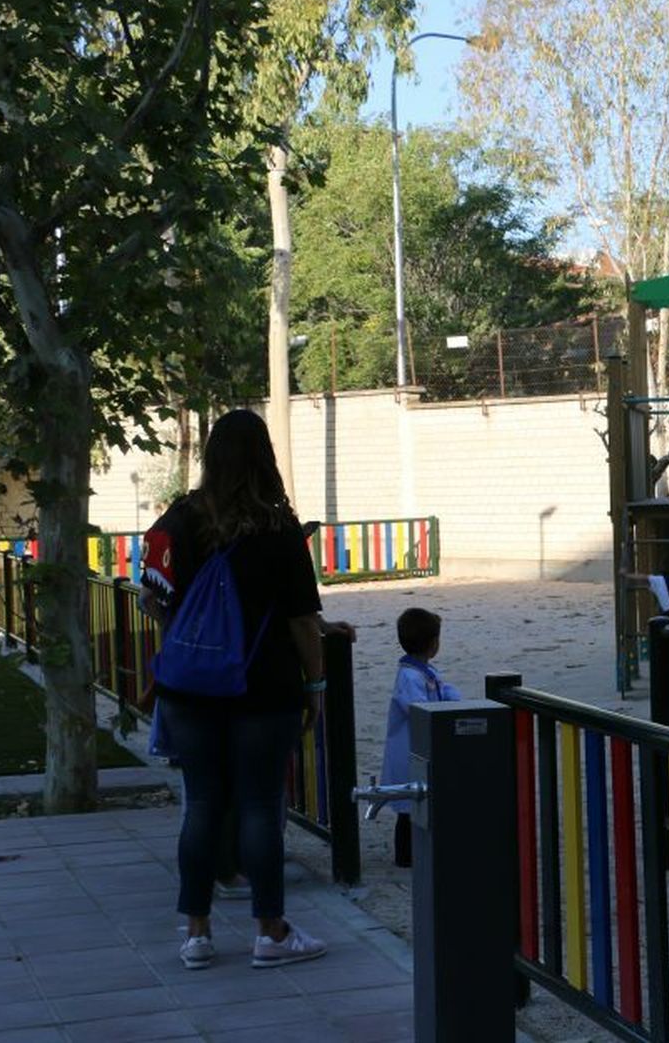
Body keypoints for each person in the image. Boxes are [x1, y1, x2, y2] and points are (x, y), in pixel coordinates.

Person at [140, 409, 355, 971]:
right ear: (266, 457)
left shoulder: (180, 519)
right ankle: (271, 932)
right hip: (264, 688)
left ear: (211, 457)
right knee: (261, 806)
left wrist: (192, 639)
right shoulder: (278, 528)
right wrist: (315, 684)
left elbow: (152, 596)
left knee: (202, 804)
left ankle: (197, 934)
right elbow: (302, 620)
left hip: (190, 690)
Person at [379, 608, 462, 867]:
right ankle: (404, 858)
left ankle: (418, 853)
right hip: (409, 749)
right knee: (408, 807)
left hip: (419, 748)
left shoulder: (424, 672)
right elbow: (417, 707)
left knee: (418, 804)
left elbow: (443, 691)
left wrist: (453, 697)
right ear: (433, 644)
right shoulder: (410, 676)